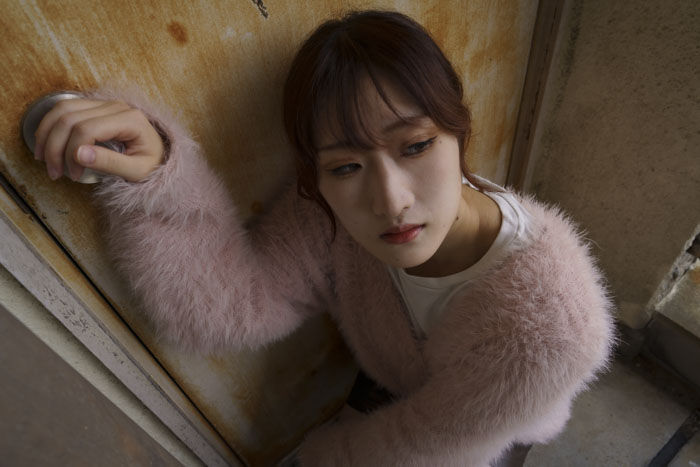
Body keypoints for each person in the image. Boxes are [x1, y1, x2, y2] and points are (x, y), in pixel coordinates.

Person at [34, 10, 615, 467]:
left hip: (498, 419)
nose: (390, 201)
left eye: (415, 146)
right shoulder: (328, 212)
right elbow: (231, 307)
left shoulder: (550, 331)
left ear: (459, 133)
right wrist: (156, 178)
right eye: (345, 165)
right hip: (408, 390)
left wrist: (318, 458)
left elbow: (421, 452)